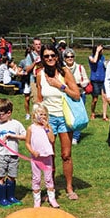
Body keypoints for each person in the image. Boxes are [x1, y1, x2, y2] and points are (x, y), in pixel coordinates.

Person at [34, 44, 82, 200]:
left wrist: (60, 85)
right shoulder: (39, 74)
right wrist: (38, 117)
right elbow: (39, 98)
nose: (50, 59)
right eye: (46, 56)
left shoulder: (64, 72)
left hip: (64, 118)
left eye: (52, 55)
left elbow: (76, 95)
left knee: (66, 154)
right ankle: (50, 188)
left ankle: (69, 187)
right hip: (48, 120)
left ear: (57, 56)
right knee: (49, 155)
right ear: (42, 58)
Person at [0, 98, 26, 207]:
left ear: (9, 113)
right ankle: (2, 199)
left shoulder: (16, 124)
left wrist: (13, 136)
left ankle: (11, 197)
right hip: (1, 155)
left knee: (12, 176)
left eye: (0, 114)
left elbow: (25, 136)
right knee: (0, 176)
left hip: (13, 155)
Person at [25, 103, 59, 208]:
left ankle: (52, 199)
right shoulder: (31, 128)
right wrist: (33, 151)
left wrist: (47, 128)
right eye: (40, 114)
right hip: (36, 158)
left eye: (45, 114)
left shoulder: (48, 127)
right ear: (34, 115)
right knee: (36, 178)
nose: (43, 117)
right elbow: (27, 142)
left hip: (47, 156)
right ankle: (37, 201)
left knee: (49, 178)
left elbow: (52, 140)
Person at [62, 48, 89, 145]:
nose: (70, 58)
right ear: (64, 58)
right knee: (67, 115)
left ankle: (76, 136)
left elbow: (86, 80)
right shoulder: (62, 69)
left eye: (72, 56)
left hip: (80, 94)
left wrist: (80, 84)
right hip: (66, 95)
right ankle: (67, 134)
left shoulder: (80, 67)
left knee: (78, 115)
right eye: (67, 57)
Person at [22, 37, 44, 119]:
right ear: (33, 46)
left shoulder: (44, 53)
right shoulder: (30, 56)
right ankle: (36, 118)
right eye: (36, 44)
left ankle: (44, 117)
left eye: (39, 44)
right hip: (34, 81)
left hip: (44, 80)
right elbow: (27, 70)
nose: (38, 46)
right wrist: (35, 62)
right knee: (36, 100)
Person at [88, 44, 108, 120]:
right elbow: (94, 61)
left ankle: (104, 116)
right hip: (95, 81)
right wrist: (97, 51)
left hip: (102, 80)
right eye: (101, 49)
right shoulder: (90, 57)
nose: (102, 51)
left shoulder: (103, 58)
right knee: (95, 99)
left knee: (104, 98)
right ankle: (92, 113)